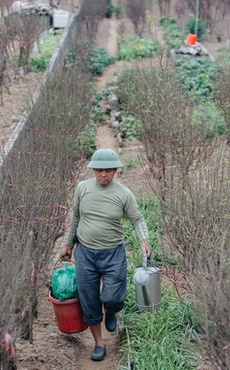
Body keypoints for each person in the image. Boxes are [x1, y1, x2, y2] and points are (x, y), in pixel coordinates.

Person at [59, 148, 152, 362]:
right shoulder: (82, 189)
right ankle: (99, 343)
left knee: (113, 296)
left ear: (115, 171)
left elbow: (137, 219)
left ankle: (111, 310)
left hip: (113, 254)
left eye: (108, 170)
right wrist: (68, 243)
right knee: (89, 298)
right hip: (85, 254)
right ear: (93, 170)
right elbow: (75, 218)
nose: (103, 175)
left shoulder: (123, 194)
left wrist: (144, 240)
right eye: (99, 170)